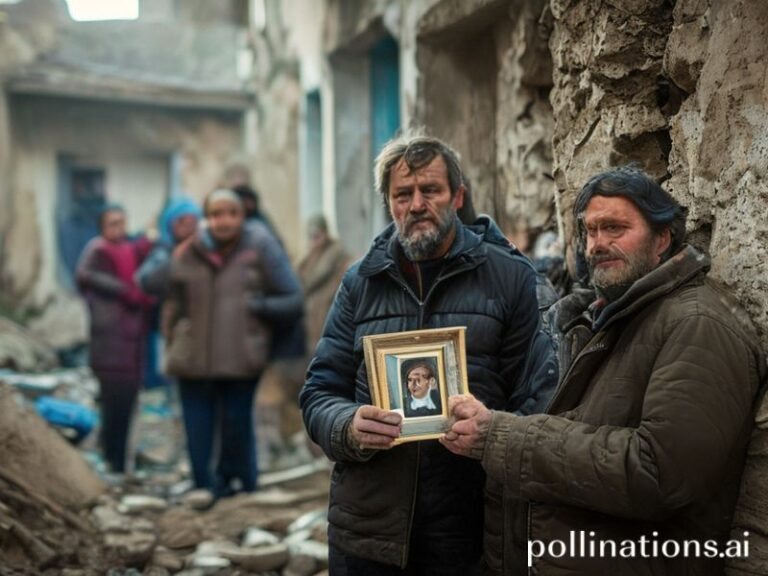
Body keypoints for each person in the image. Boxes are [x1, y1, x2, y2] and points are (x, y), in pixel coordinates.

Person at [442, 166, 767, 575]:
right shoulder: (605, 320)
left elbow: (660, 473)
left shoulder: (697, 324)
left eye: (614, 228)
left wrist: (502, 437)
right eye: (590, 231)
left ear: (662, 239)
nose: (597, 244)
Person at [299, 134, 547, 574]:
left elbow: (542, 397)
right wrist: (347, 427)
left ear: (458, 197)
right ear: (389, 204)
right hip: (369, 530)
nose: (416, 205)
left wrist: (491, 431)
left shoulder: (510, 278)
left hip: (471, 528)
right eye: (403, 195)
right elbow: (319, 392)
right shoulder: (360, 283)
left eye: (430, 190)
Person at [162, 189, 303, 498]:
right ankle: (203, 487)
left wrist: (257, 308)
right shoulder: (188, 251)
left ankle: (238, 484)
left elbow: (293, 298)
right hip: (192, 359)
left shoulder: (260, 246)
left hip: (241, 357)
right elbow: (172, 303)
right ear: (206, 218)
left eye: (231, 213)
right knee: (197, 428)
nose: (223, 221)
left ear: (242, 216)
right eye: (215, 214)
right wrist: (175, 337)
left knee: (236, 426)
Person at [76, 204, 153, 474]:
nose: (118, 228)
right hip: (109, 344)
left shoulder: (130, 250)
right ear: (102, 227)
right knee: (112, 407)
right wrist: (124, 291)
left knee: (126, 406)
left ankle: (120, 464)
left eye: (122, 222)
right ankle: (112, 461)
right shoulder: (97, 250)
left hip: (131, 342)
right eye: (112, 223)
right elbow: (84, 275)